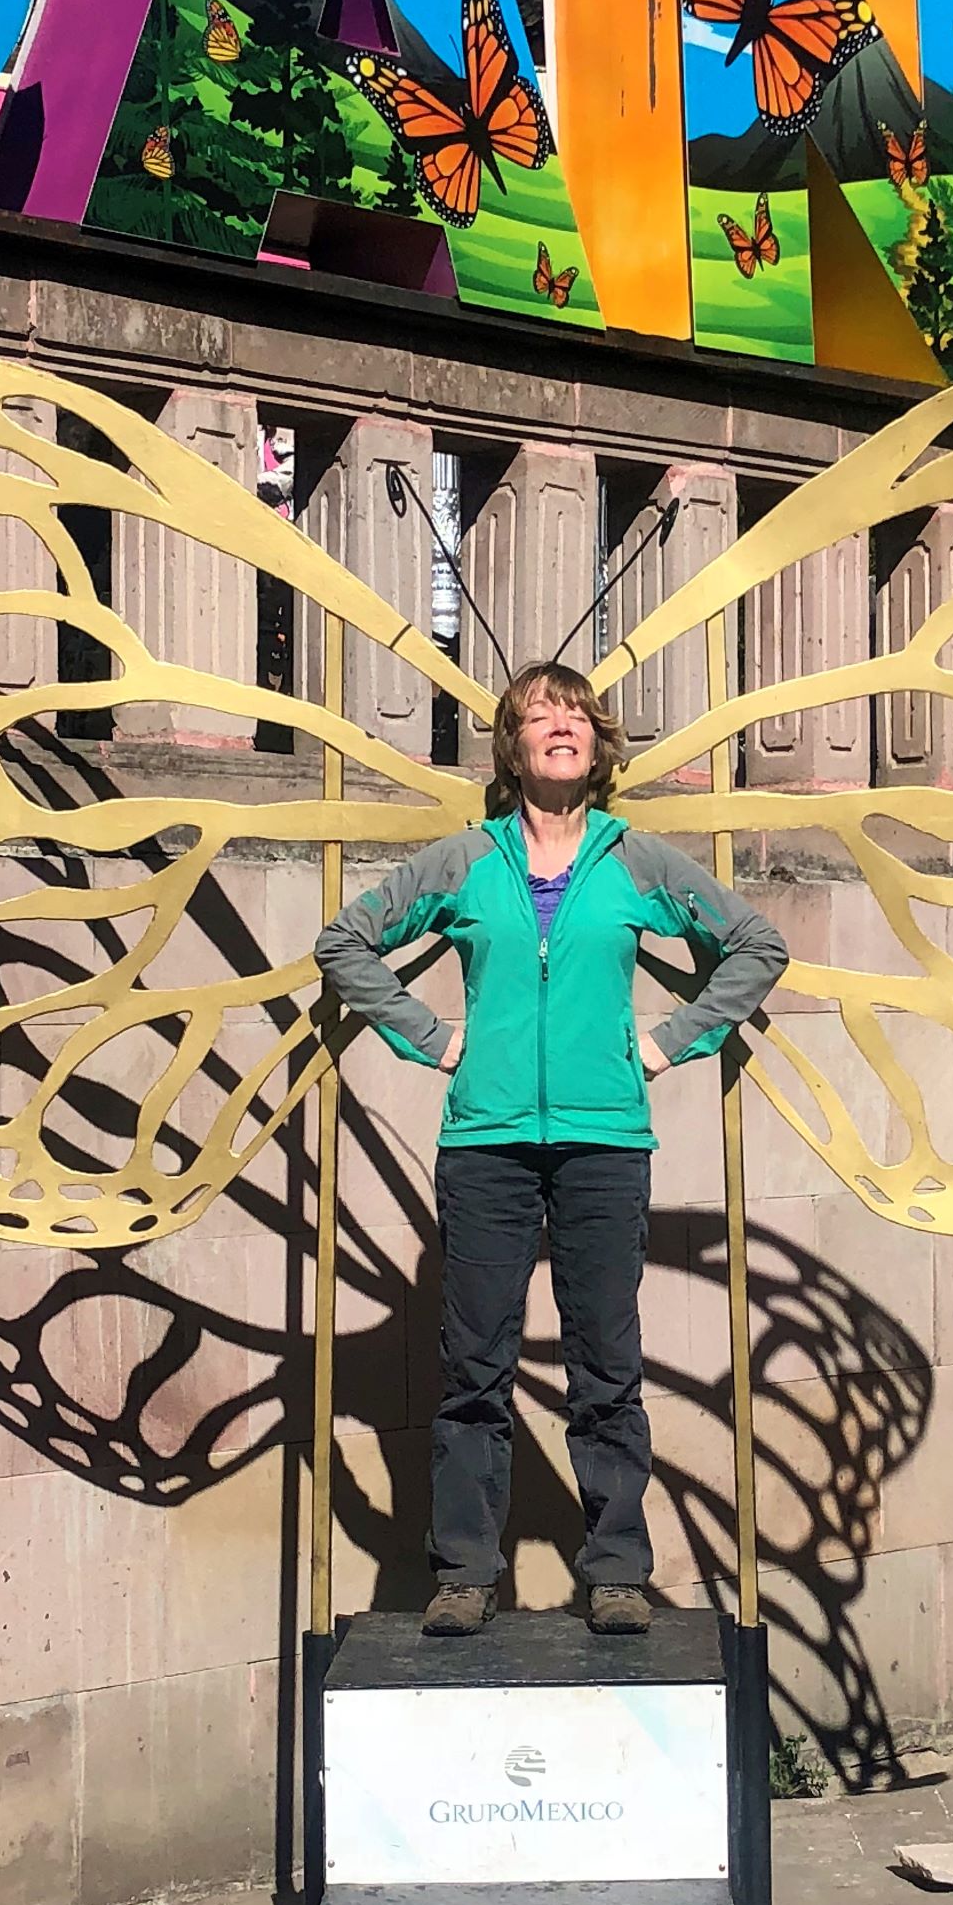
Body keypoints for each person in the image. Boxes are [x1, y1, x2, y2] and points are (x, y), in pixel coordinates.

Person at [314, 661, 789, 1636]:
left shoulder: (636, 862)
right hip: (485, 1143)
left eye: (574, 712)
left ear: (598, 741)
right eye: (539, 715)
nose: (559, 726)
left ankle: (614, 1566)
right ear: (514, 747)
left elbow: (754, 946)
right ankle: (464, 1573)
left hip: (604, 1141)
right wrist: (434, 1037)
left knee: (604, 1359)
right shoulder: (463, 863)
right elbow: (345, 943)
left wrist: (662, 1043)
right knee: (473, 1366)